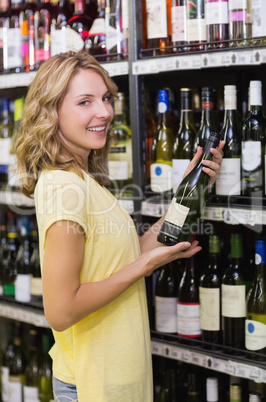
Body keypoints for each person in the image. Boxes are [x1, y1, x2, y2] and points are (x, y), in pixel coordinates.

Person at [15, 50, 224, 401]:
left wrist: (187, 193)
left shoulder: (81, 179)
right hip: (93, 384)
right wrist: (145, 267)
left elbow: (121, 258)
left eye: (106, 98)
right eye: (85, 102)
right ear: (51, 112)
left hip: (115, 380)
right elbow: (61, 310)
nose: (105, 112)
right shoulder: (63, 187)